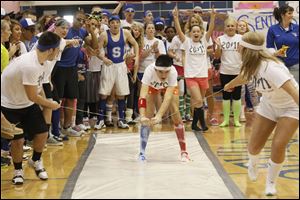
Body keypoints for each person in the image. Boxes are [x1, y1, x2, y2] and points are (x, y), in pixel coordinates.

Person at [223, 31, 299, 196]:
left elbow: (294, 92)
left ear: (247, 49)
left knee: (278, 145)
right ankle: (253, 163)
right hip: (269, 105)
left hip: (291, 107)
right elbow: (245, 76)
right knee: (253, 147)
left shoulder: (271, 68)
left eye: (240, 44)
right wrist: (230, 84)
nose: (237, 46)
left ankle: (271, 183)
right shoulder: (252, 64)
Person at [1, 31, 62, 185]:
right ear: (51, 50)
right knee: (18, 140)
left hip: (26, 103)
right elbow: (33, 97)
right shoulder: (30, 65)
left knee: (42, 133)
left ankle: (35, 161)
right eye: (58, 50)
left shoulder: (43, 61)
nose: (58, 53)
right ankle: (18, 171)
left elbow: (38, 87)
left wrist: (47, 100)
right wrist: (52, 105)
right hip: (9, 104)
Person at [138, 54, 190, 162]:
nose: (163, 75)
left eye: (166, 72)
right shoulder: (149, 71)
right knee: (147, 117)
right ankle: (142, 152)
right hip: (153, 87)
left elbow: (167, 97)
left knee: (175, 112)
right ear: (155, 69)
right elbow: (142, 95)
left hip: (168, 88)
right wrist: (142, 116)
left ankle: (184, 152)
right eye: (160, 72)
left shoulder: (173, 72)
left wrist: (159, 116)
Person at [173, 6, 216, 131]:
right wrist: (175, 18)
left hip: (203, 74)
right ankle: (203, 124)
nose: (196, 33)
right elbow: (179, 31)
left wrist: (212, 17)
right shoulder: (186, 41)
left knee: (199, 101)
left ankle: (194, 124)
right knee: (198, 99)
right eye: (194, 31)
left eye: (198, 31)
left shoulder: (204, 40)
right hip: (191, 75)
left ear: (201, 33)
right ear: (190, 33)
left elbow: (211, 29)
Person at [96, 15, 139, 129]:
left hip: (121, 65)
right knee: (104, 94)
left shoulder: (125, 33)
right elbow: (97, 51)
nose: (115, 24)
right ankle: (100, 120)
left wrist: (135, 56)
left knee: (121, 94)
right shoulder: (104, 35)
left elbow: (135, 44)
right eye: (112, 22)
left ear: (120, 24)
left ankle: (121, 120)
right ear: (109, 24)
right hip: (109, 66)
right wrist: (104, 59)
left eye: (117, 22)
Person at [267, 4, 299, 83]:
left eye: (292, 13)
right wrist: (275, 53)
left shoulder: (297, 28)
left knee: (296, 90)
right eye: (289, 13)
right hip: (280, 65)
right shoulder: (272, 29)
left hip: (296, 65)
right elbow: (269, 46)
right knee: (283, 92)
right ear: (282, 15)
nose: (292, 15)